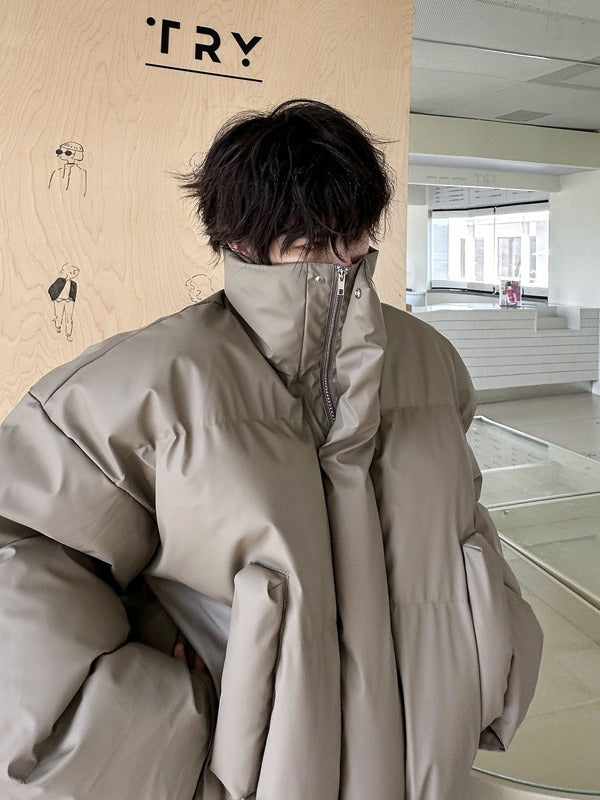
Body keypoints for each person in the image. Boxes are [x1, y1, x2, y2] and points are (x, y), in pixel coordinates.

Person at [0, 99, 543, 800]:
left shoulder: (429, 363)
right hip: (258, 774)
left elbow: (466, 525)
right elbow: (25, 576)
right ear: (238, 237)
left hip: (425, 764)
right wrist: (161, 737)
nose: (342, 261)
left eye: (355, 234)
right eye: (310, 240)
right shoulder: (135, 390)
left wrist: (493, 655)